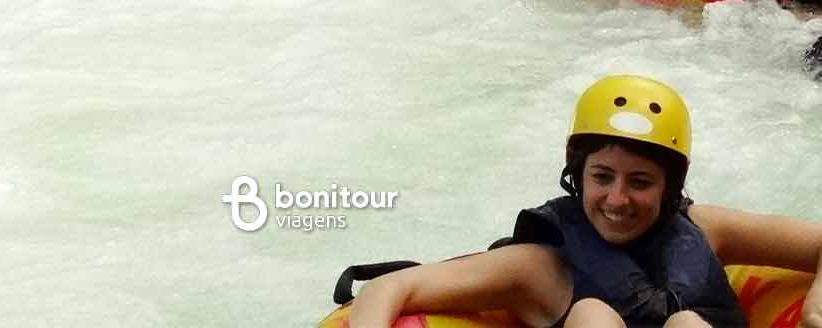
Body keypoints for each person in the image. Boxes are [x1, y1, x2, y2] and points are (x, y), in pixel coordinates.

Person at [345, 74, 822, 328]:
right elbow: (389, 289)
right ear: (578, 174)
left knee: (686, 326)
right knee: (593, 317)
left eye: (640, 182)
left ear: (669, 188)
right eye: (601, 176)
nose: (617, 198)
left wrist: (814, 312)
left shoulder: (706, 228)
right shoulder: (536, 268)